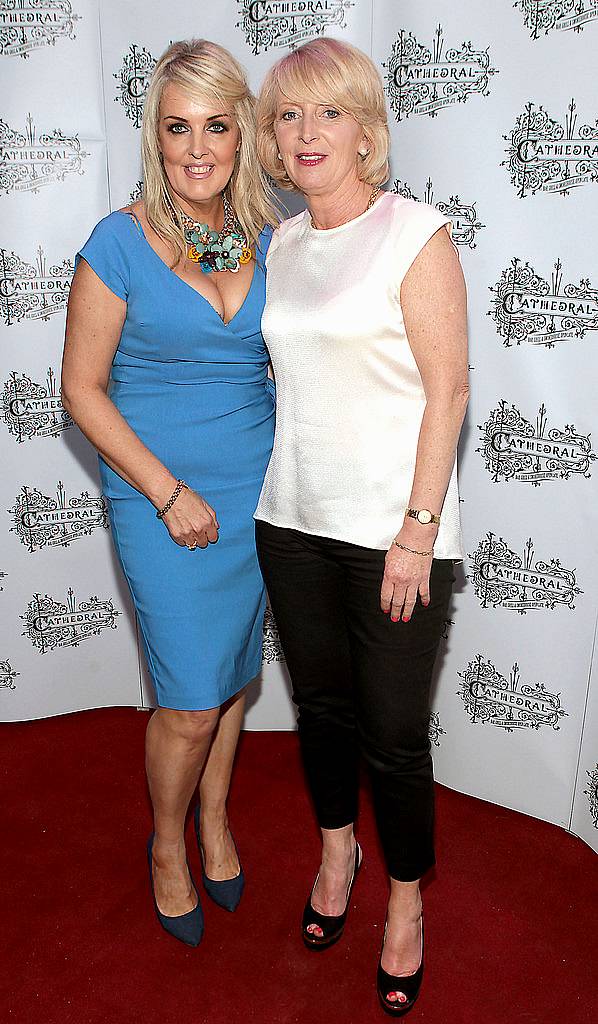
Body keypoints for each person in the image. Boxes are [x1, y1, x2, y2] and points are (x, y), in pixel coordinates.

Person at [255, 38, 468, 1014]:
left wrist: (416, 531)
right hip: (288, 520)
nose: (307, 133)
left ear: (365, 129)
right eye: (290, 115)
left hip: (393, 538)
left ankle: (406, 905)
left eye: (328, 112)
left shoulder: (414, 231)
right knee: (325, 714)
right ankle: (337, 855)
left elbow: (447, 391)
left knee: (392, 735)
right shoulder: (283, 243)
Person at [62, 39, 278, 948]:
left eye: (216, 125)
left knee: (230, 679)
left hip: (263, 489)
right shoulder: (119, 238)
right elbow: (79, 387)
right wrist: (164, 491)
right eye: (177, 126)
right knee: (189, 696)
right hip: (165, 495)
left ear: (243, 132)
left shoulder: (270, 233)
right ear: (154, 135)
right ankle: (165, 843)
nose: (197, 148)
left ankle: (217, 818)